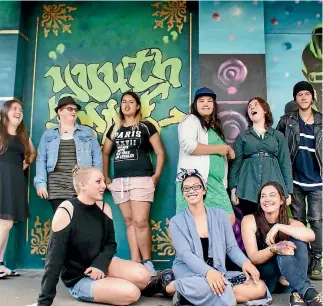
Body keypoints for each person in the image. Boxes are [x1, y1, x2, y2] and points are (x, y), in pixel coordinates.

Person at [33, 166, 175, 306]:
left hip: (102, 264)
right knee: (131, 293)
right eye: (98, 181)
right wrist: (44, 302)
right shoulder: (66, 210)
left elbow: (110, 244)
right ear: (82, 185)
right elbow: (54, 259)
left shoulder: (104, 208)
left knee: (142, 274)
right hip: (79, 278)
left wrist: (99, 265)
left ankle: (155, 287)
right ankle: (153, 287)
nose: (103, 185)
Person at [170, 169, 270, 306]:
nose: (191, 191)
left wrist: (245, 263)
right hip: (191, 272)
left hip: (219, 272)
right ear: (183, 194)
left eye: (196, 186)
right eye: (186, 188)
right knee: (203, 285)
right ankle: (188, 289)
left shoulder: (220, 216)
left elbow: (231, 247)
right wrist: (208, 272)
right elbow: (185, 254)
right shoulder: (176, 221)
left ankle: (190, 296)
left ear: (204, 190)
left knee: (259, 287)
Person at [103, 91, 165, 276]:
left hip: (141, 178)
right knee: (129, 222)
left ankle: (147, 263)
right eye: (124, 102)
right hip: (120, 181)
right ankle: (135, 262)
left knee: (141, 222)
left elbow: (160, 152)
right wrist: (106, 177)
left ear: (138, 106)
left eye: (131, 102)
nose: (127, 105)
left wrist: (157, 175)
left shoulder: (146, 126)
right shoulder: (114, 128)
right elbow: (105, 152)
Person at [241, 181, 322, 306]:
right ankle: (308, 292)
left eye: (272, 195)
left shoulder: (289, 223)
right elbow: (253, 257)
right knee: (283, 247)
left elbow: (311, 235)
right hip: (266, 278)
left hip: (289, 281)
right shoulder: (249, 220)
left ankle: (297, 296)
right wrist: (275, 248)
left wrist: (279, 226)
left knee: (298, 241)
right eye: (263, 196)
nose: (267, 199)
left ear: (282, 201)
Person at [277, 81, 322, 281]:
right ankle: (302, 260)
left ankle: (317, 259)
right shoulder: (287, 121)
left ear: (312, 97)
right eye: (300, 94)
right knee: (298, 222)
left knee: (318, 222)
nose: (303, 97)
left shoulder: (322, 121)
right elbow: (277, 144)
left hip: (317, 181)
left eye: (307, 94)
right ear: (295, 99)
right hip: (295, 181)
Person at [176, 87, 236, 225]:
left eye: (209, 101)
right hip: (197, 180)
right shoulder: (191, 119)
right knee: (194, 223)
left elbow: (214, 152)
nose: (206, 104)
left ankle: (212, 247)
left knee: (225, 220)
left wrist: (227, 152)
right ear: (195, 105)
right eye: (201, 101)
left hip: (216, 183)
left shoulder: (215, 126)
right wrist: (217, 149)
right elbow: (188, 146)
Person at [34, 96, 102, 212]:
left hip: (81, 184)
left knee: (81, 220)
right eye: (70, 109)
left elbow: (97, 157)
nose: (74, 112)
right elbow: (41, 159)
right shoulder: (48, 135)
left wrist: (97, 181)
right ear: (59, 111)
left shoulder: (86, 132)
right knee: (63, 222)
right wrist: (41, 183)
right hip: (57, 186)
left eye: (75, 110)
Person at [229, 97, 293, 216]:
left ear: (265, 110)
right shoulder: (243, 136)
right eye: (249, 106)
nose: (252, 107)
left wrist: (288, 191)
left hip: (273, 190)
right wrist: (233, 190)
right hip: (247, 189)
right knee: (249, 224)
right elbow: (235, 164)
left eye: (256, 104)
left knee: (272, 225)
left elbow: (285, 164)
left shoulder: (277, 136)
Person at [0, 99, 36, 278]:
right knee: (4, 223)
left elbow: (32, 153)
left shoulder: (23, 136)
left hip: (14, 180)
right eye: (14, 109)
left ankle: (0, 264)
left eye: (21, 109)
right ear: (5, 112)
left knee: (7, 223)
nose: (18, 112)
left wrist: (22, 165)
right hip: (1, 178)